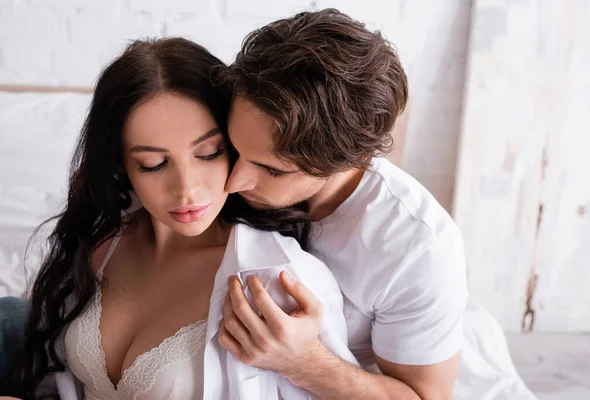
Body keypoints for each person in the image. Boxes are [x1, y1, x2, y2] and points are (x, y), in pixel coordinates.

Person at [1, 37, 357, 399]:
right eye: (153, 164)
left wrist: (309, 362)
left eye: (209, 153)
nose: (186, 189)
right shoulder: (101, 243)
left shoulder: (280, 279)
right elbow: (52, 375)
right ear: (122, 166)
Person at [217, 8, 534, 400]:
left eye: (274, 171)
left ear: (348, 161)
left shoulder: (418, 247)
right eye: (233, 149)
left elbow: (423, 397)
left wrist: (303, 362)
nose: (233, 182)